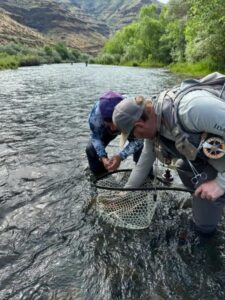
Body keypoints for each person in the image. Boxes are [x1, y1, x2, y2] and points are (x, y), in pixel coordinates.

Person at [112, 72, 225, 236]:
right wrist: (125, 194)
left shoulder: (192, 109)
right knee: (182, 166)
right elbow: (143, 164)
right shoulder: (155, 123)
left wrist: (220, 184)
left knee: (203, 228)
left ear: (139, 124)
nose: (135, 138)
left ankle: (210, 214)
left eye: (132, 135)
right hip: (216, 155)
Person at [86, 90, 143, 176]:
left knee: (141, 145)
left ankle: (143, 172)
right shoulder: (95, 118)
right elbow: (96, 137)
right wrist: (103, 157)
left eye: (114, 124)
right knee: (90, 149)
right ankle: (101, 176)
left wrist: (120, 156)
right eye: (109, 125)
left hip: (126, 122)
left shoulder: (131, 110)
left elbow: (139, 140)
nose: (113, 128)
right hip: (104, 130)